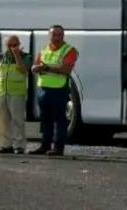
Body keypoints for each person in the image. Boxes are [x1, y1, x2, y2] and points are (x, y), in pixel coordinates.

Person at [29, 25, 78, 156]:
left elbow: (66, 70)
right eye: (54, 35)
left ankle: (58, 148)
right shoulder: (44, 49)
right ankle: (44, 146)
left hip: (59, 89)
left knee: (60, 120)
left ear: (63, 36)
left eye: (59, 35)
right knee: (45, 120)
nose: (56, 38)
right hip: (43, 89)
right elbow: (35, 66)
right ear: (49, 36)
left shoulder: (69, 50)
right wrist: (36, 68)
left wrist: (46, 68)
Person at [0, 35, 32, 154]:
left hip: (17, 93)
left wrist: (16, 55)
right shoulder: (0, 57)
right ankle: (5, 145)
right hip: (2, 92)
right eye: (9, 45)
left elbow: (23, 69)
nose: (12, 48)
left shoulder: (26, 56)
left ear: (19, 44)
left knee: (18, 120)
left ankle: (19, 146)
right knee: (2, 120)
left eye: (15, 45)